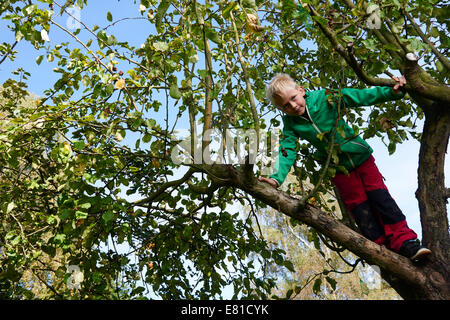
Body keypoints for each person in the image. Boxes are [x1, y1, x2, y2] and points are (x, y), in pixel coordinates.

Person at [259, 73, 431, 262]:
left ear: (301, 90)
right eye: (285, 106)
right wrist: (276, 178)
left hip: (361, 157)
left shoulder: (325, 97)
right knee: (360, 209)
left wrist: (392, 92)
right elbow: (287, 150)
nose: (293, 106)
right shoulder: (291, 124)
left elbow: (360, 96)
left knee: (381, 199)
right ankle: (382, 250)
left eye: (293, 98)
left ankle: (405, 241)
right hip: (338, 170)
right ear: (281, 109)